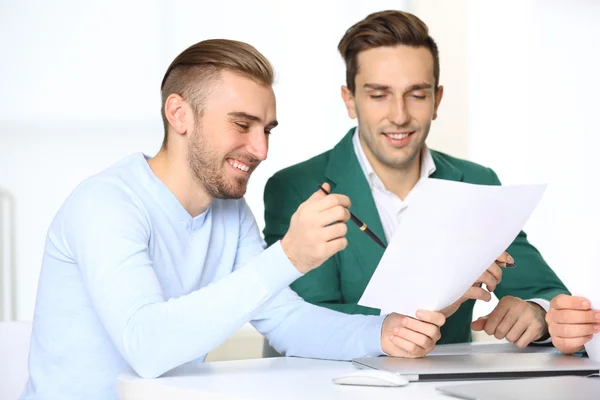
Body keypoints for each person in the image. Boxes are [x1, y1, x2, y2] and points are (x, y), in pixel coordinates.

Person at [21, 39, 436, 400]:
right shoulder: (106, 204)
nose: (260, 149)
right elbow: (146, 346)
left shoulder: (228, 212)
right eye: (242, 125)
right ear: (179, 114)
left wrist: (385, 333)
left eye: (267, 130)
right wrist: (288, 256)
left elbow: (286, 320)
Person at [263, 10, 569, 348]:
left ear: (437, 100)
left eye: (417, 95)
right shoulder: (295, 188)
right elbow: (302, 320)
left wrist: (537, 316)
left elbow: (545, 292)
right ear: (350, 101)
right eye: (379, 95)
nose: (399, 115)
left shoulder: (477, 182)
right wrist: (418, 313)